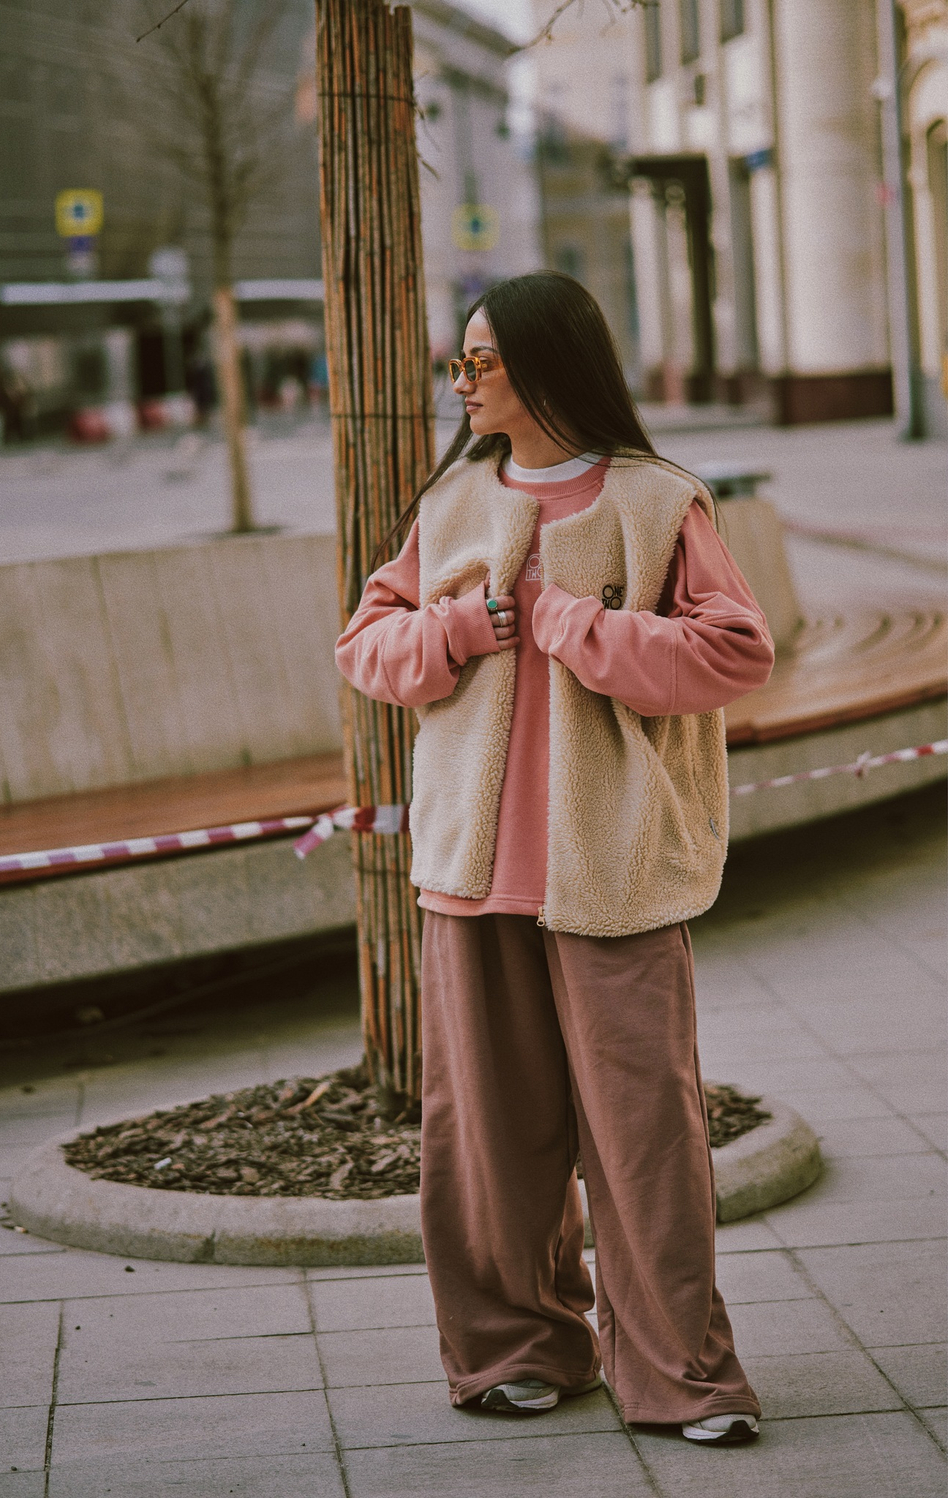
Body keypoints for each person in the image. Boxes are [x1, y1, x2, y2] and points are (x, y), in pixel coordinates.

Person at [335, 272, 774, 1445]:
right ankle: (517, 1351)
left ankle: (681, 1373)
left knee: (644, 1140)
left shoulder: (657, 500)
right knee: (486, 1138)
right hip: (472, 877)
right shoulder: (454, 502)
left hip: (616, 871)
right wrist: (446, 633)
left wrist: (581, 628)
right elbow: (367, 645)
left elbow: (734, 652)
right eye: (459, 363)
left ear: (545, 365)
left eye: (479, 361)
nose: (462, 380)